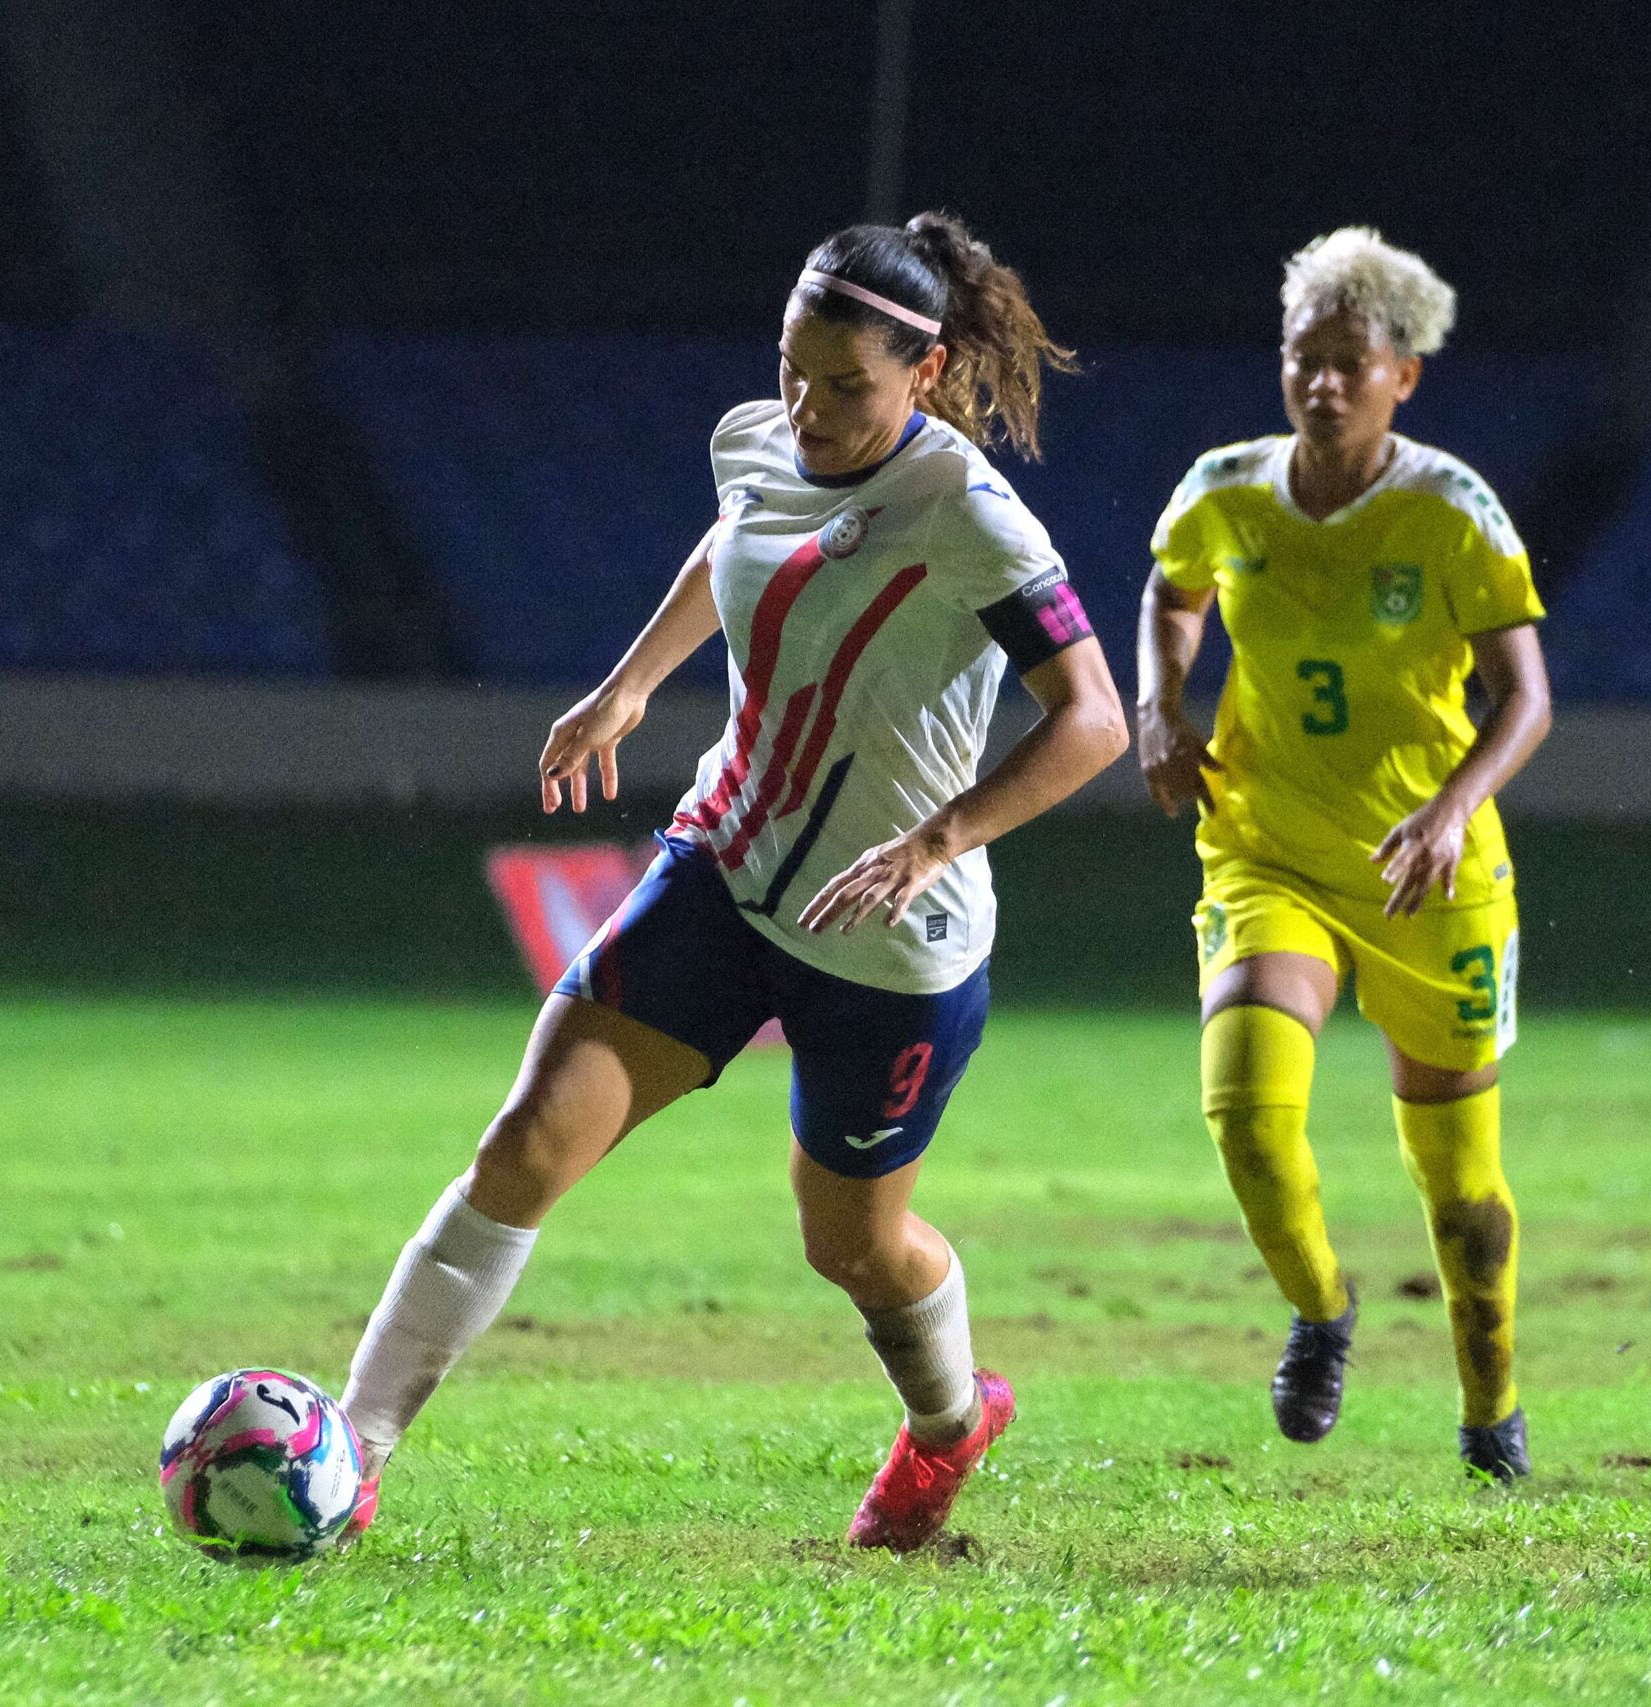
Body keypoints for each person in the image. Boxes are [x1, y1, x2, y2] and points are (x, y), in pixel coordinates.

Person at [337, 213, 1126, 1552]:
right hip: (723, 868)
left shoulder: (967, 513)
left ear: (926, 372)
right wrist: (628, 685)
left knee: (851, 1246)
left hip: (890, 938)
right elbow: (735, 542)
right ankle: (350, 1454)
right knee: (526, 1142)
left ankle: (949, 1422)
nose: (808, 408)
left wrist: (932, 842)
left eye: (846, 385)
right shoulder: (758, 441)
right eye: (791, 371)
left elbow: (1094, 719)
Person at [1136, 228, 1551, 1480]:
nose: (1320, 385)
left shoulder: (1452, 510)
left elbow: (1526, 700)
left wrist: (1450, 808)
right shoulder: (1223, 490)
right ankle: (1322, 1311)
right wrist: (1161, 702)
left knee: (1461, 1192)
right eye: (1300, 360)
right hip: (1267, 851)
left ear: (1401, 377)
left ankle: (1490, 1411)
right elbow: (1172, 592)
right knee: (1247, 1118)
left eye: (1348, 365)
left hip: (1430, 873)